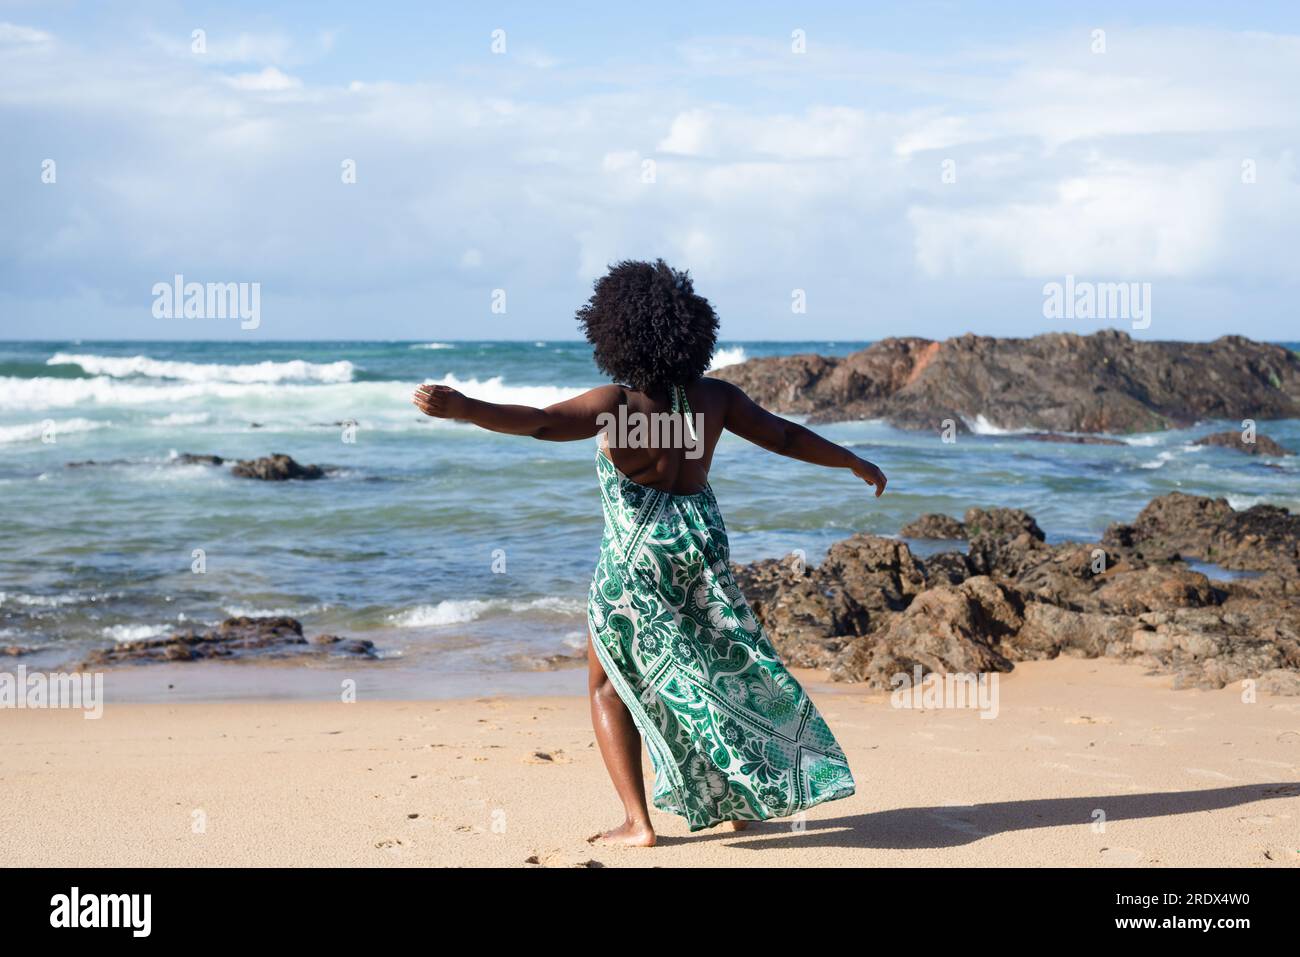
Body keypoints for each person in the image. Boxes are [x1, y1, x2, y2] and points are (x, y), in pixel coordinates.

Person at [413, 259, 886, 846]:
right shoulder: (716, 399)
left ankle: (638, 823)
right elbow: (786, 436)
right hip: (702, 549)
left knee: (609, 684)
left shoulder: (618, 403)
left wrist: (466, 409)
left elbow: (540, 423)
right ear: (693, 334)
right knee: (720, 670)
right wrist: (850, 459)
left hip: (636, 560)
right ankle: (743, 799)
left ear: (614, 334)